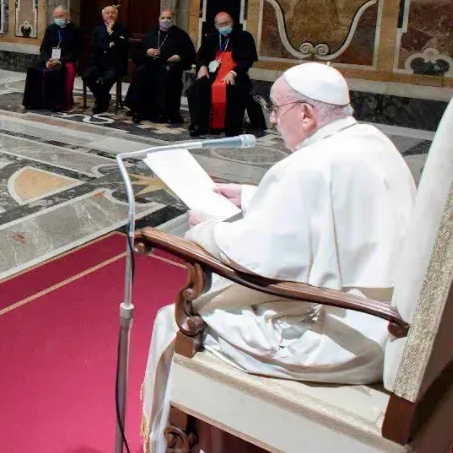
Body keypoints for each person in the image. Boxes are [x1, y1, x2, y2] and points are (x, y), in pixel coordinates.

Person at [142, 63, 417, 452]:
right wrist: (252, 196)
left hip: (336, 337)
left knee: (174, 321)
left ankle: (181, 441)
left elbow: (253, 259)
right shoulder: (372, 140)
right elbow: (327, 208)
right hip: (385, 324)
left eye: (277, 109)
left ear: (306, 114)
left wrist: (204, 229)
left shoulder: (306, 166)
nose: (272, 120)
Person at [189, 11, 267, 137]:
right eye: (221, 24)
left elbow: (247, 60)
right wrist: (202, 67)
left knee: (233, 89)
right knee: (197, 88)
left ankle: (230, 127)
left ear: (232, 22)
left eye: (227, 23)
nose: (224, 26)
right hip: (213, 74)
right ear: (216, 26)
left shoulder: (244, 37)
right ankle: (201, 126)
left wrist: (233, 72)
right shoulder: (211, 37)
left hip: (236, 75)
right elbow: (199, 56)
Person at [125, 8, 195, 125]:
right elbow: (138, 51)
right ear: (158, 19)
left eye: (168, 18)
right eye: (163, 18)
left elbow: (190, 53)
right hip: (152, 65)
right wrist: (147, 52)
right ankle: (139, 110)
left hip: (169, 67)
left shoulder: (181, 35)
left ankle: (164, 113)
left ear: (173, 20)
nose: (165, 20)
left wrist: (179, 57)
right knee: (140, 72)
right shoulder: (152, 33)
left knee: (166, 73)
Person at [23, 6, 79, 112]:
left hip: (64, 60)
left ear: (67, 16)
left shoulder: (75, 30)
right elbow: (43, 48)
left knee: (56, 72)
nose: (58, 18)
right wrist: (47, 60)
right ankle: (35, 102)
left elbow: (76, 51)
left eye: (61, 16)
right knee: (33, 70)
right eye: (56, 16)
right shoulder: (51, 28)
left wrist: (60, 60)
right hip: (49, 59)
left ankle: (56, 104)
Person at [82, 5, 129, 114]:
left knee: (106, 79)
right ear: (103, 15)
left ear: (117, 15)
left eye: (113, 13)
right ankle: (103, 98)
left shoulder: (123, 29)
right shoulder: (96, 30)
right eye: (107, 13)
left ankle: (100, 102)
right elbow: (94, 46)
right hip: (98, 63)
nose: (110, 15)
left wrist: (110, 32)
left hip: (115, 64)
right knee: (87, 76)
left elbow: (122, 46)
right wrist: (109, 46)